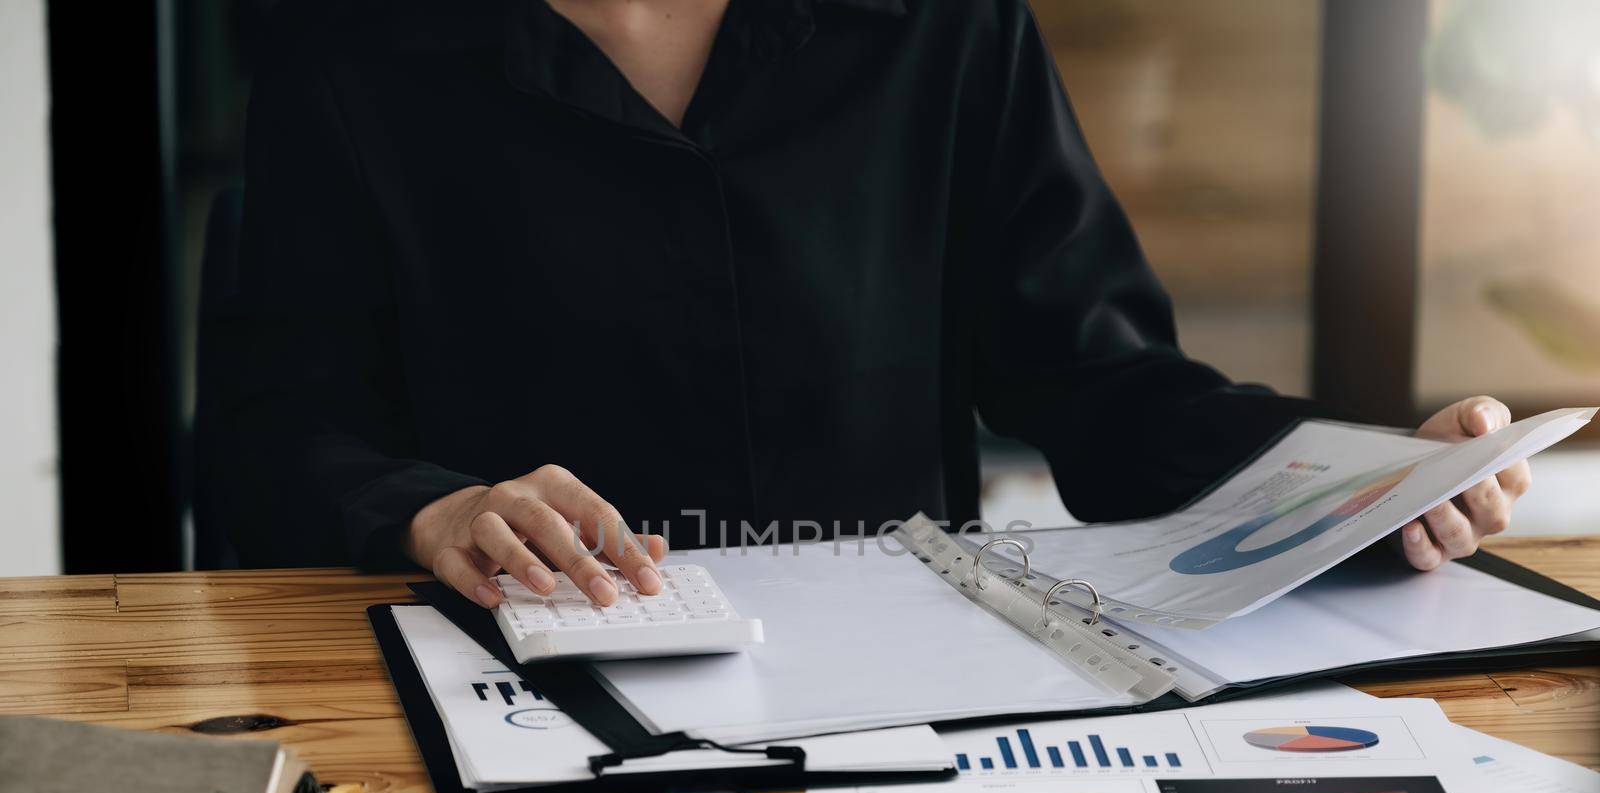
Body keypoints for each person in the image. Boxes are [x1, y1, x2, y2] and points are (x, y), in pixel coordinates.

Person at [222, 0, 1529, 609]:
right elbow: (275, 434)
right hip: (513, 676)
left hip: (901, 694)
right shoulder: (348, 56)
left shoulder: (941, 28)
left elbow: (1097, 382)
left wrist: (1356, 484)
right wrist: (426, 508)